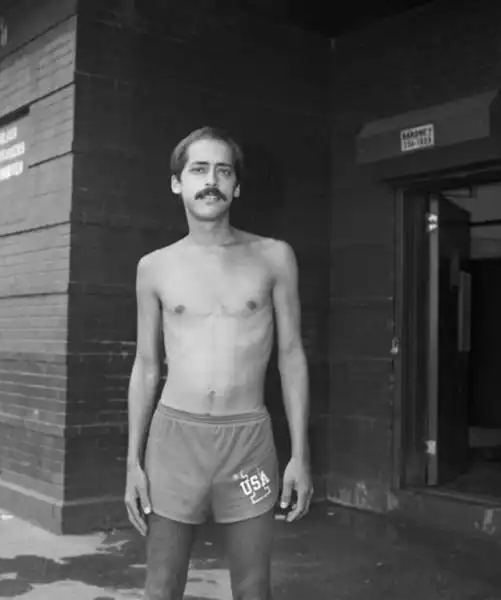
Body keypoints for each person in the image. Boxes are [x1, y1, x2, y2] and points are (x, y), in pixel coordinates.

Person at [124, 126, 313, 600]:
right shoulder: (154, 267)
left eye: (223, 171)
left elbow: (291, 356)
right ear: (177, 182)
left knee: (253, 588)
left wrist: (300, 455)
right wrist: (132, 461)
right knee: (161, 586)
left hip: (248, 443)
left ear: (237, 186)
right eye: (199, 169)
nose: (211, 180)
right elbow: (146, 364)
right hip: (173, 443)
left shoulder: (274, 257)